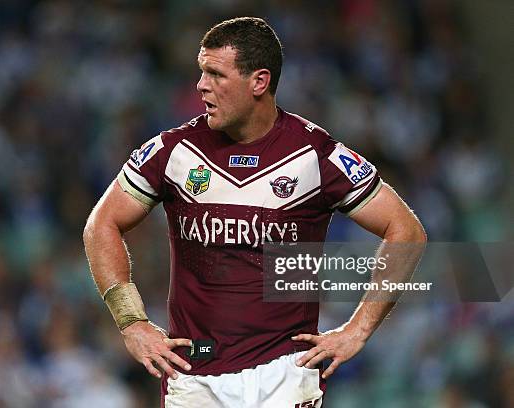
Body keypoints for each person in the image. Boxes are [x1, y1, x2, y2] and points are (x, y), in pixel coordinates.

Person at [83, 17, 426, 408]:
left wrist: (358, 330)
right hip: (194, 378)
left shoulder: (315, 155)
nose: (201, 85)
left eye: (215, 74)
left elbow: (406, 231)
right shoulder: (173, 151)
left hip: (284, 375)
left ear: (258, 82)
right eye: (201, 71)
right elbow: (101, 224)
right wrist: (132, 322)